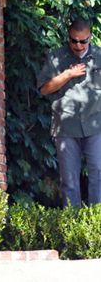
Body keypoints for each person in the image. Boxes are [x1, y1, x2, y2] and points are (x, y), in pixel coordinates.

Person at [37, 18, 101, 207]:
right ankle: (72, 230)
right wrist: (67, 75)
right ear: (69, 38)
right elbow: (43, 89)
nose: (79, 46)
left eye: (83, 41)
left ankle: (96, 225)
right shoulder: (56, 57)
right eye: (74, 41)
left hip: (96, 125)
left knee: (98, 175)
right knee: (69, 182)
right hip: (65, 127)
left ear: (90, 38)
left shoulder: (99, 56)